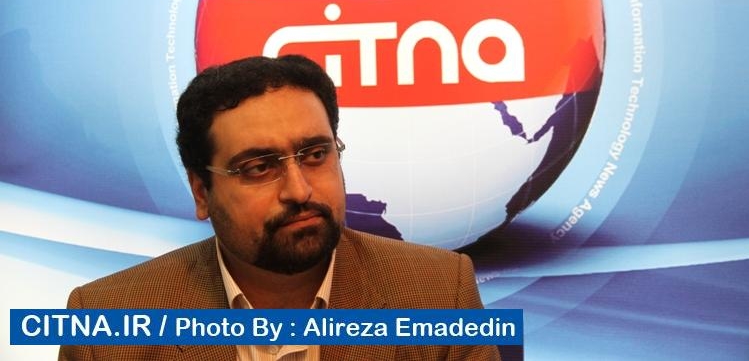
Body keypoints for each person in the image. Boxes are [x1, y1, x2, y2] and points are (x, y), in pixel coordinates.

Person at [59, 55, 500, 361]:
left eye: (315, 155)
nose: (299, 190)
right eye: (259, 167)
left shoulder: (440, 295)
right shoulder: (108, 326)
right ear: (201, 192)